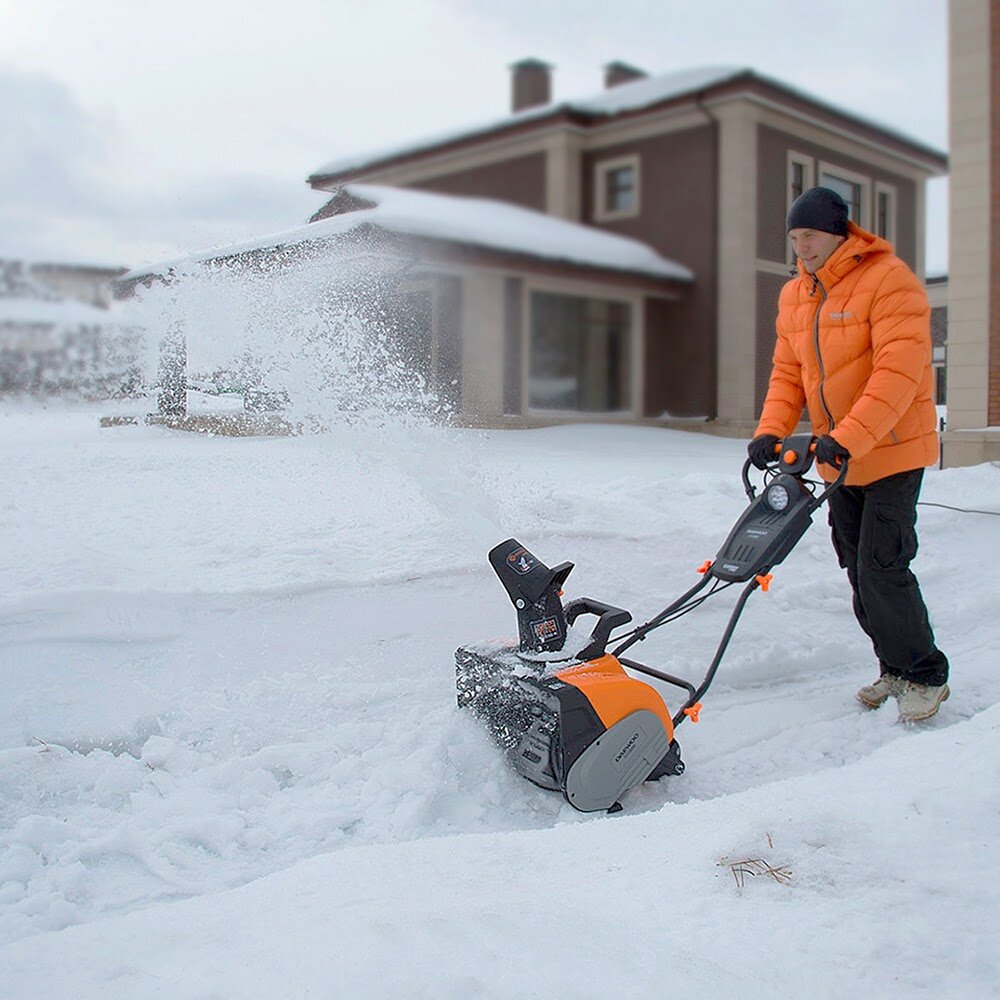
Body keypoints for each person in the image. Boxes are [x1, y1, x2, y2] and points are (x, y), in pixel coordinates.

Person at [749, 186, 949, 722]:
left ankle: (925, 674)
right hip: (839, 459)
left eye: (809, 236)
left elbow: (898, 373)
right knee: (858, 570)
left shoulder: (889, 281)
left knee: (883, 566)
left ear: (838, 233)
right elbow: (788, 374)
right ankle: (894, 667)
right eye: (794, 238)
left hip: (891, 451)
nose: (802, 247)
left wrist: (851, 436)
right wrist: (771, 430)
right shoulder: (797, 295)